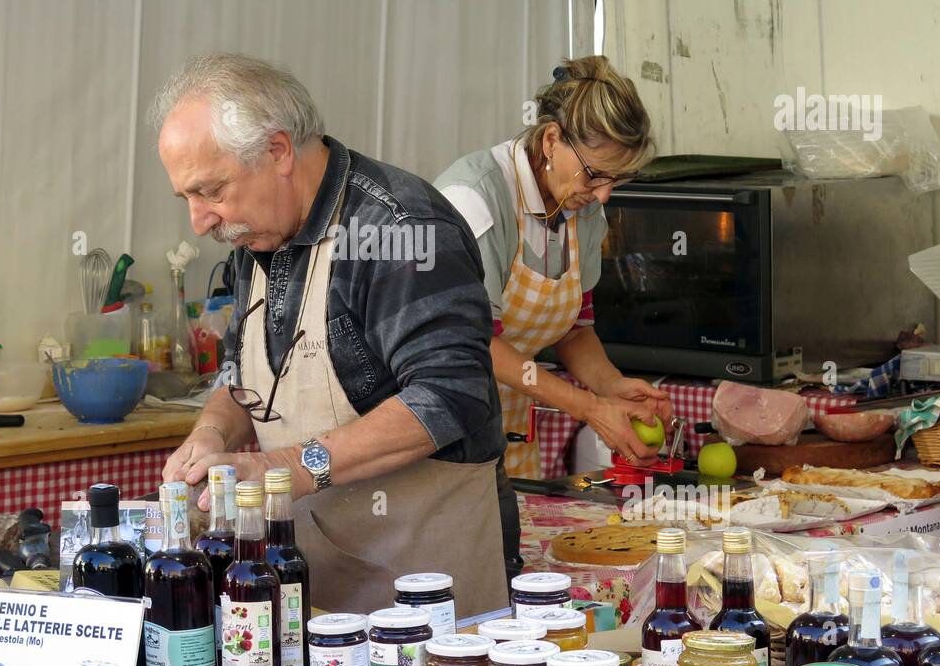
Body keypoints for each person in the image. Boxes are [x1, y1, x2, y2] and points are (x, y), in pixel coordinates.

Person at [155, 53, 516, 616]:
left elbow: (449, 396)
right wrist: (211, 433)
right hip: (316, 570)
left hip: (424, 575)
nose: (199, 222)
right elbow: (242, 372)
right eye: (187, 198)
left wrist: (292, 468)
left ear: (277, 151)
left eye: (211, 191)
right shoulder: (255, 234)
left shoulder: (401, 230)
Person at [434, 55, 673, 480]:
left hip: (511, 428)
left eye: (617, 181)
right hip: (443, 428)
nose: (603, 196)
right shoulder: (476, 201)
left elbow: (574, 329)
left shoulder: (580, 207)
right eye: (595, 175)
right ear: (550, 141)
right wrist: (589, 407)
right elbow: (474, 344)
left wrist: (610, 385)